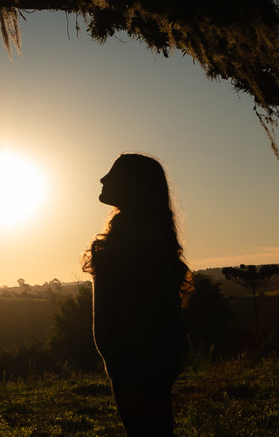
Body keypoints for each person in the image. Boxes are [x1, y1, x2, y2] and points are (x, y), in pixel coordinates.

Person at [84, 153, 190, 437]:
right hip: (134, 360)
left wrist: (125, 362)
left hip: (138, 361)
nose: (103, 179)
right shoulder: (136, 234)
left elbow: (146, 310)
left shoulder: (137, 241)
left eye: (114, 175)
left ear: (135, 186)